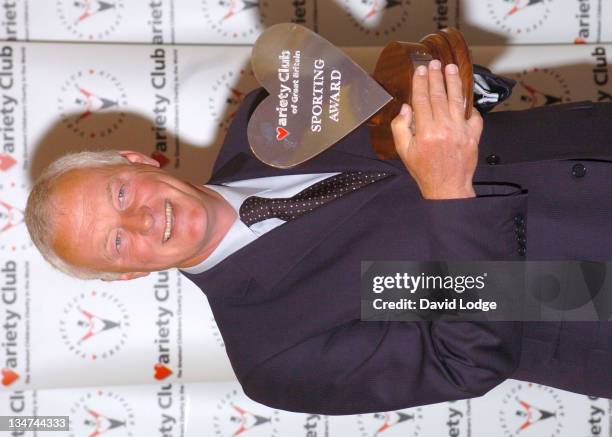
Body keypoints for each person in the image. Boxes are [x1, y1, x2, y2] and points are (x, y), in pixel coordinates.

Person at [26, 61, 612, 414]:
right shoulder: (273, 350)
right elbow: (466, 357)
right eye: (117, 244)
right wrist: (448, 189)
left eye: (120, 196)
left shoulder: (270, 116)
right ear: (129, 275)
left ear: (135, 161)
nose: (142, 222)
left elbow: (424, 99)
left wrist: (451, 85)